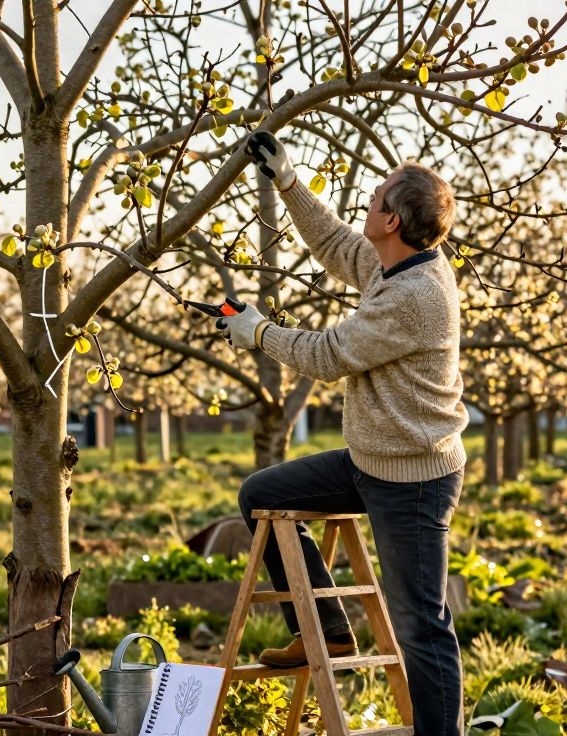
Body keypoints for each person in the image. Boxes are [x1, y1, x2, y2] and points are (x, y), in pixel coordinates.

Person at [216, 131, 469, 736]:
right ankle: (326, 631)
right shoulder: (394, 265)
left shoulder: (415, 296)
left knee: (420, 625)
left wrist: (258, 333)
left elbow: (329, 356)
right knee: (261, 495)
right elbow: (334, 243)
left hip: (414, 478)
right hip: (371, 460)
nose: (368, 201)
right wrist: (288, 182)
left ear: (392, 219)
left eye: (377, 195)